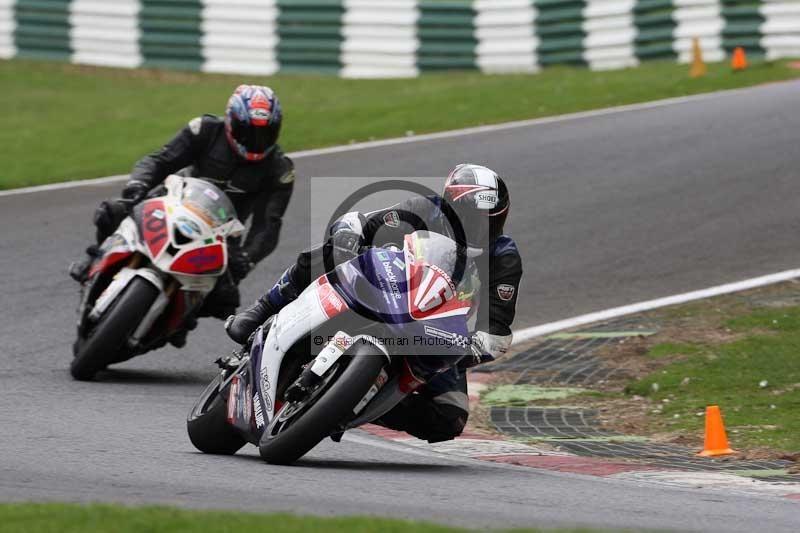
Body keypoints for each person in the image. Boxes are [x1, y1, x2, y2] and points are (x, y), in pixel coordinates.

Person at [225, 164, 522, 443]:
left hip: (436, 330)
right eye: (473, 217)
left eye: (490, 220)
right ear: (450, 207)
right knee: (328, 251)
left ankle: (346, 405)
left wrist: (468, 350)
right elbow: (364, 223)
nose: (480, 228)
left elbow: (496, 328)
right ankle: (264, 307)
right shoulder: (424, 210)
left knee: (450, 418)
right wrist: (349, 236)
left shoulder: (503, 257)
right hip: (387, 289)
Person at [69, 84, 295, 346]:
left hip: (221, 235)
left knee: (224, 298)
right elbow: (159, 160)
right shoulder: (206, 130)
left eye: (265, 133)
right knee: (113, 211)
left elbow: (268, 227)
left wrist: (247, 258)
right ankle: (95, 258)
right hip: (172, 203)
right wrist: (138, 185)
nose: (257, 140)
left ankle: (180, 319)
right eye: (250, 132)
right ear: (232, 122)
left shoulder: (279, 169)